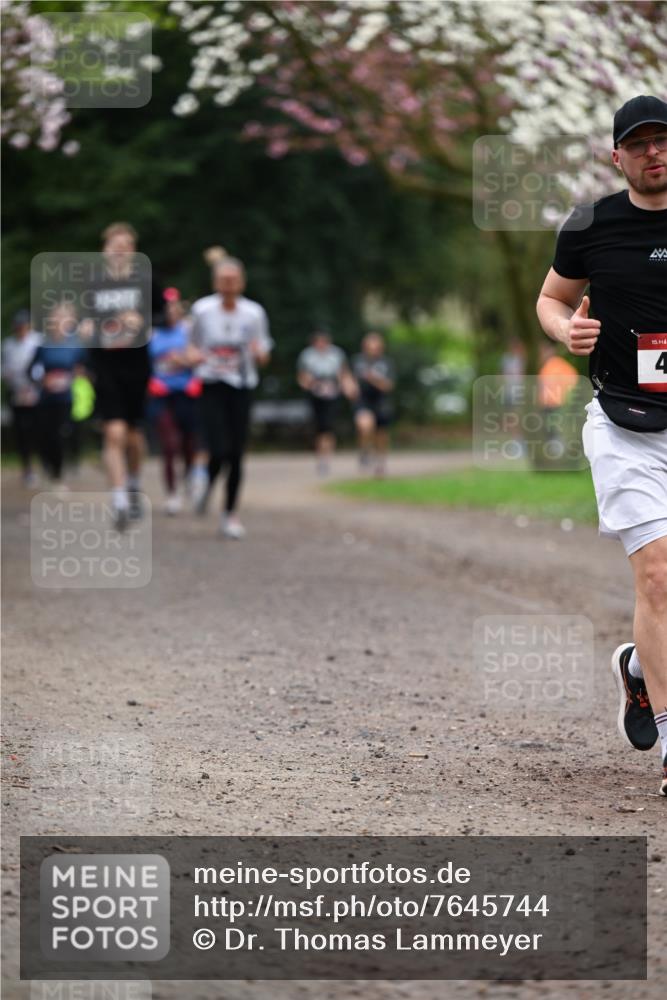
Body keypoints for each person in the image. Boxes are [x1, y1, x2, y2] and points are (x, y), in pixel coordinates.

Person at [536, 94, 667, 796]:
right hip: (624, 423)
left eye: (662, 140)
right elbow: (550, 299)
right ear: (616, 156)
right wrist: (565, 331)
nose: (653, 153)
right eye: (638, 143)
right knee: (656, 576)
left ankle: (640, 672)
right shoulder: (590, 222)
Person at [85, 222, 163, 531]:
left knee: (133, 436)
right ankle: (118, 499)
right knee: (113, 432)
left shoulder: (145, 281)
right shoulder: (93, 285)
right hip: (105, 366)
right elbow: (81, 321)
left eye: (125, 247)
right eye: (114, 247)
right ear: (104, 251)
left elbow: (164, 315)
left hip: (137, 366)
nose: (119, 252)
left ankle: (132, 483)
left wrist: (142, 319)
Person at [190, 257, 273, 538]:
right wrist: (195, 357)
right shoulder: (202, 310)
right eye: (223, 279)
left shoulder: (254, 313)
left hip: (242, 386)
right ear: (215, 282)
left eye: (233, 279)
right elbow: (190, 347)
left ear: (242, 282)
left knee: (236, 453)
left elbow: (264, 354)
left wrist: (258, 352)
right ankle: (207, 483)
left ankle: (230, 513)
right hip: (212, 385)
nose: (228, 284)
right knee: (218, 449)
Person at [147, 289, 201, 514]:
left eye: (173, 307)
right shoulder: (151, 334)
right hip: (162, 395)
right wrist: (151, 382)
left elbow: (201, 357)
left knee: (189, 444)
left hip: (186, 393)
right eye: (166, 308)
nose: (170, 312)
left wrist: (195, 377)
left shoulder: (189, 331)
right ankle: (172, 493)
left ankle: (189, 479)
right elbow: (142, 365)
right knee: (169, 445)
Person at [27, 302, 88, 488]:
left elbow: (86, 368)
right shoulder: (44, 345)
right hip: (46, 398)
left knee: (62, 434)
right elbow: (30, 369)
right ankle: (48, 466)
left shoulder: (77, 345)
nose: (59, 320)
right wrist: (41, 381)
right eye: (56, 317)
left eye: (63, 317)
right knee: (46, 435)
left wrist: (76, 375)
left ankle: (59, 474)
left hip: (68, 397)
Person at [297, 330, 354, 476]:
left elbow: (344, 373)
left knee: (328, 426)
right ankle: (319, 456)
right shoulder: (307, 355)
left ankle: (326, 458)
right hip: (315, 393)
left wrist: (348, 387)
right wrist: (310, 384)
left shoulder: (337, 354)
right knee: (319, 427)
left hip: (332, 393)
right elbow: (302, 376)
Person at [2, 310, 43, 485]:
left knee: (38, 429)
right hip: (16, 392)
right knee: (21, 432)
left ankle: (44, 461)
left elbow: (44, 366)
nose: (20, 330)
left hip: (37, 392)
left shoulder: (39, 342)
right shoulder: (7, 345)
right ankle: (27, 467)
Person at [351, 332, 396, 476]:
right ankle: (364, 451)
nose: (373, 349)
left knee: (381, 434)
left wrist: (373, 379)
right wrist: (350, 388)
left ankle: (380, 462)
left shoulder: (386, 363)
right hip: (363, 400)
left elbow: (389, 386)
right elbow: (348, 377)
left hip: (381, 400)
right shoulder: (357, 361)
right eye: (370, 346)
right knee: (364, 426)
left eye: (376, 346)